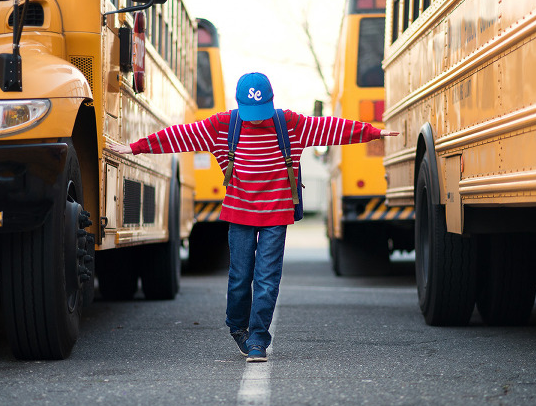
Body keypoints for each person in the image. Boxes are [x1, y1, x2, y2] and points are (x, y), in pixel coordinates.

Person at [110, 72, 398, 363]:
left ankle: (259, 338)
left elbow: (331, 128)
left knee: (267, 278)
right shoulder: (224, 125)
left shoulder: (289, 124)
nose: (257, 119)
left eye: (262, 113)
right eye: (251, 113)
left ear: (272, 103)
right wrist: (135, 147)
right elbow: (179, 136)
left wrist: (374, 132)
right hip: (240, 211)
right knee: (239, 277)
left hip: (277, 211)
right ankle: (238, 328)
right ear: (239, 105)